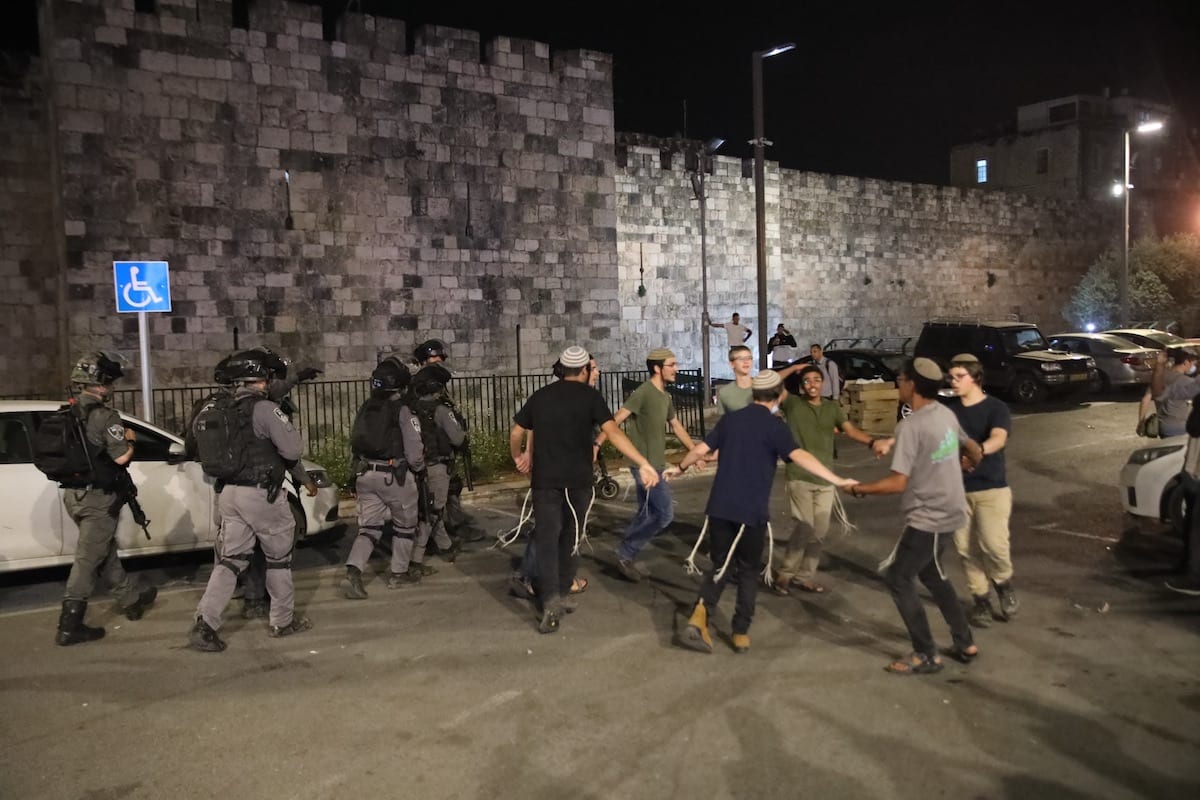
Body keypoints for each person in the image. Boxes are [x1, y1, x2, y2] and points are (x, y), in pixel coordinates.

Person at [669, 370, 857, 654]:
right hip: (750, 513)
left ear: (754, 394)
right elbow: (799, 456)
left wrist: (679, 468)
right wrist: (837, 479)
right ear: (779, 395)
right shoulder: (775, 426)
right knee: (747, 571)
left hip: (719, 507)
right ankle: (740, 631)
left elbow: (700, 450)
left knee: (720, 565)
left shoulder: (731, 419)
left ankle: (699, 615)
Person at [844, 357, 982, 675]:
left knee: (898, 577)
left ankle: (926, 653)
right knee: (932, 574)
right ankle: (964, 641)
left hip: (929, 516)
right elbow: (972, 447)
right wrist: (970, 463)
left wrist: (859, 489)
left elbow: (897, 482)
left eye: (901, 378)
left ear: (913, 385)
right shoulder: (945, 414)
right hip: (950, 509)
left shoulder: (912, 425)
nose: (898, 383)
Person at [509, 346, 660, 633]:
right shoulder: (590, 397)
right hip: (577, 481)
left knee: (547, 538)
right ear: (583, 370)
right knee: (571, 537)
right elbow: (613, 432)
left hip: (545, 481)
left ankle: (551, 597)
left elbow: (517, 430)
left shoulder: (541, 396)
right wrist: (642, 462)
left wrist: (518, 456)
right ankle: (560, 593)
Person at [188, 350, 312, 652]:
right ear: (262, 379)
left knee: (231, 560)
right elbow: (292, 451)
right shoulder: (265, 409)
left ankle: (205, 623)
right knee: (279, 559)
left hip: (228, 493)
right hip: (261, 494)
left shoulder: (216, 408)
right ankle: (282, 621)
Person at [49, 352, 157, 646]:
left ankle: (131, 600)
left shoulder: (67, 413)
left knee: (103, 550)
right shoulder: (105, 416)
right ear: (101, 384)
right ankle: (69, 626)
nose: (112, 388)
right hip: (98, 499)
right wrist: (131, 439)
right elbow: (121, 456)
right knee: (87, 561)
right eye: (110, 382)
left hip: (74, 495)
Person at [772, 365, 879, 595]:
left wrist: (872, 442)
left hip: (825, 478)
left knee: (819, 532)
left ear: (823, 383)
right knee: (804, 527)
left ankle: (805, 577)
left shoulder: (832, 408)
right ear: (802, 385)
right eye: (808, 380)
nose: (812, 384)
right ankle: (785, 575)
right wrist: (795, 368)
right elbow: (772, 382)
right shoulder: (793, 404)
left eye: (817, 380)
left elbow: (850, 430)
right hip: (799, 475)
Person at [511, 353, 603, 600]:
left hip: (569, 472)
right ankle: (532, 577)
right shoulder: (567, 397)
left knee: (558, 529)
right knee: (552, 531)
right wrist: (527, 454)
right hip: (559, 473)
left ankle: (555, 580)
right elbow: (532, 428)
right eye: (593, 368)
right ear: (582, 370)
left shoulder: (586, 397)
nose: (596, 372)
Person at [341, 357, 425, 599]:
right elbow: (414, 449)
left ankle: (354, 570)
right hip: (393, 476)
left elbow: (355, 442)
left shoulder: (367, 407)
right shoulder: (402, 410)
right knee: (405, 527)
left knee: (369, 528)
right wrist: (418, 468)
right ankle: (399, 574)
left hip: (365, 474)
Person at [612, 348, 699, 581]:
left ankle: (626, 556)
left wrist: (694, 452)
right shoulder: (643, 392)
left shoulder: (665, 396)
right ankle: (626, 552)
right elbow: (616, 419)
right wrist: (598, 442)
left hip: (657, 463)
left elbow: (676, 426)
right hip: (644, 465)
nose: (676, 369)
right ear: (657, 368)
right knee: (664, 514)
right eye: (672, 365)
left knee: (646, 512)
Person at [944, 354, 1018, 626]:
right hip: (957, 490)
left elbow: (999, 437)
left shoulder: (995, 407)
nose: (954, 382)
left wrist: (979, 451)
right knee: (964, 548)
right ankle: (981, 599)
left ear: (975, 378)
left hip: (992, 487)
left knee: (994, 545)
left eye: (959, 376)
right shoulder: (949, 410)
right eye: (951, 377)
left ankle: (1003, 582)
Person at [414, 338, 486, 543]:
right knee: (436, 498)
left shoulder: (436, 384)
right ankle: (443, 537)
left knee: (452, 487)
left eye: (439, 358)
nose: (437, 361)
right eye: (432, 358)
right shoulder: (422, 386)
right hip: (432, 451)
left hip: (442, 448)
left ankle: (454, 525)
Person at [404, 362, 464, 584]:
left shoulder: (412, 408)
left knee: (431, 510)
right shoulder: (441, 410)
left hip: (419, 466)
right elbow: (457, 438)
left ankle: (446, 547)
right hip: (437, 467)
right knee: (433, 512)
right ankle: (415, 560)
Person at [1149, 348, 1200, 437]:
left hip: (1163, 426)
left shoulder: (1161, 377)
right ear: (1186, 362)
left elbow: (1149, 396)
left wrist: (1159, 366)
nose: (1194, 367)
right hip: (1179, 428)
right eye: (1193, 363)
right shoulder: (1186, 381)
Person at [715, 345, 754, 414]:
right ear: (732, 364)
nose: (746, 361)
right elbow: (724, 421)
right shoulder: (724, 393)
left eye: (749, 358)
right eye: (741, 359)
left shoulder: (763, 387)